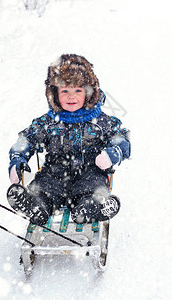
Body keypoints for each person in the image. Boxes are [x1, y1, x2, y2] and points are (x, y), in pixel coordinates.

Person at [7, 54, 130, 226]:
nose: (71, 97)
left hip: (90, 171)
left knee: (93, 188)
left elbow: (121, 138)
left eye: (77, 90)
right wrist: (17, 158)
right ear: (55, 94)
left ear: (88, 92)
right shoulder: (48, 122)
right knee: (43, 187)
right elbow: (27, 139)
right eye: (65, 91)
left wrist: (113, 153)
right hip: (54, 173)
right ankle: (37, 206)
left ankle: (89, 208)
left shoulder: (101, 121)